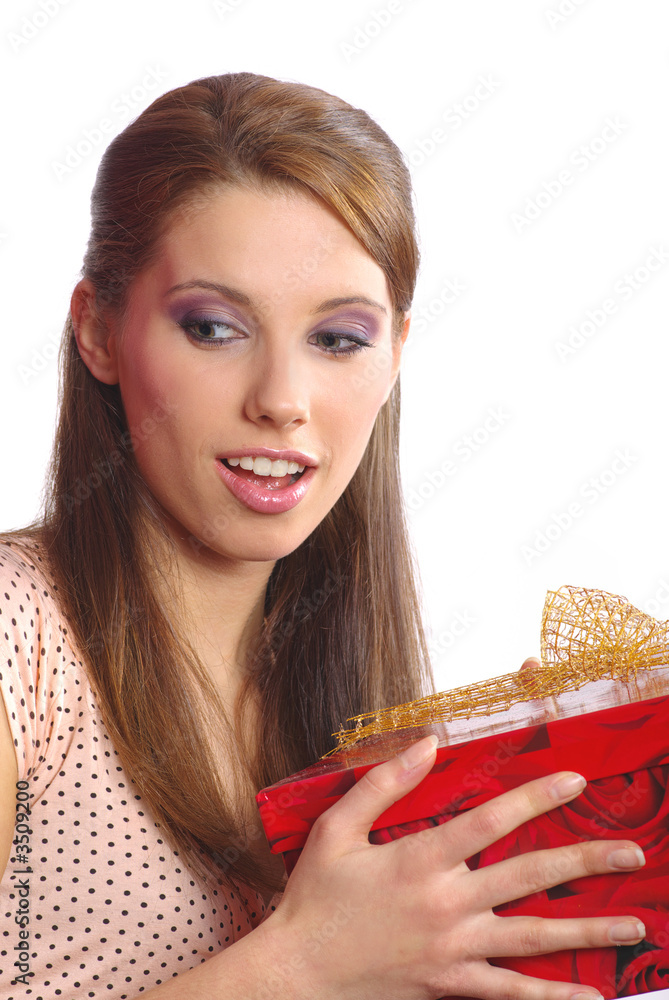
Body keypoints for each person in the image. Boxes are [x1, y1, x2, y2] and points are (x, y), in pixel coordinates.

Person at [0, 71, 646, 1000]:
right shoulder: (21, 648)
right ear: (99, 330)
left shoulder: (358, 695)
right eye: (215, 328)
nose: (281, 401)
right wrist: (302, 966)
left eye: (337, 339)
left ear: (395, 356)